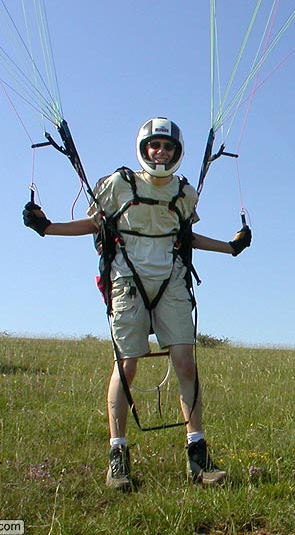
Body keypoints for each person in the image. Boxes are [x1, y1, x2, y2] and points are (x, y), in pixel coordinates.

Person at [23, 117, 251, 491]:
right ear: (143, 149)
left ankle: (198, 457)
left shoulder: (184, 193)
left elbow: (186, 236)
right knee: (127, 366)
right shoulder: (117, 185)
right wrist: (48, 228)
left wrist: (230, 248)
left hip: (171, 283)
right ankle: (118, 456)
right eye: (154, 146)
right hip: (127, 283)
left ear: (177, 153)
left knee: (186, 364)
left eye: (168, 147)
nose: (160, 152)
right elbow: (94, 224)